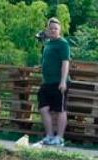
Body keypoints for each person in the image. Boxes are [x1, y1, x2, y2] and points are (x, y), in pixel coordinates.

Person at [37, 17, 70, 146]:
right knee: (43, 108)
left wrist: (63, 81)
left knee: (60, 109)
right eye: (51, 28)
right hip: (47, 81)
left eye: (55, 28)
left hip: (58, 81)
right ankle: (50, 135)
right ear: (48, 29)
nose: (53, 31)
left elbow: (65, 62)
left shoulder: (63, 44)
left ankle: (59, 138)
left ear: (59, 30)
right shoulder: (48, 44)